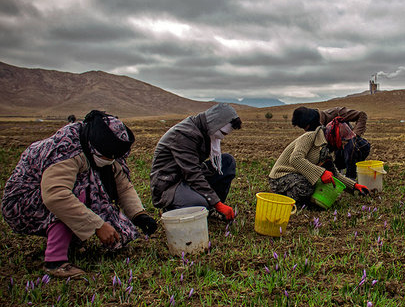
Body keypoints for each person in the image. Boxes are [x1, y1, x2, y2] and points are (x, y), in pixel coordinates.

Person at [1, 110, 157, 278]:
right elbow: (56, 195)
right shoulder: (67, 150)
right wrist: (98, 225)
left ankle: (70, 243)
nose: (111, 160)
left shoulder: (104, 147)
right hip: (23, 204)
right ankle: (55, 261)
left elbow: (122, 185)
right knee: (83, 191)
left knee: (94, 189)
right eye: (107, 156)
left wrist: (138, 214)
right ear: (95, 146)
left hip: (50, 198)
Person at [150, 103, 242, 221]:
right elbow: (192, 173)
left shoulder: (203, 129)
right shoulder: (184, 134)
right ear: (215, 123)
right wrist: (217, 203)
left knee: (227, 162)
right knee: (199, 203)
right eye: (223, 133)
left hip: (183, 176)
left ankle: (210, 208)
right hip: (169, 183)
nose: (222, 138)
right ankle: (173, 208)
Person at [269, 116, 370, 204]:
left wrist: (354, 186)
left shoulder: (327, 150)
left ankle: (306, 199)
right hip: (280, 177)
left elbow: (335, 174)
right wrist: (321, 173)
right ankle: (283, 197)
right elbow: (295, 159)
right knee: (307, 187)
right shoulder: (309, 137)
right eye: (343, 143)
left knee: (326, 186)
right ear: (334, 137)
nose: (343, 147)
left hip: (297, 176)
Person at [291, 106, 370, 178]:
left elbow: (361, 115)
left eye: (305, 127)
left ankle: (351, 178)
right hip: (333, 154)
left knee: (350, 144)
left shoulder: (335, 113)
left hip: (350, 147)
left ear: (310, 121)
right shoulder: (312, 131)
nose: (305, 130)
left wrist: (354, 135)